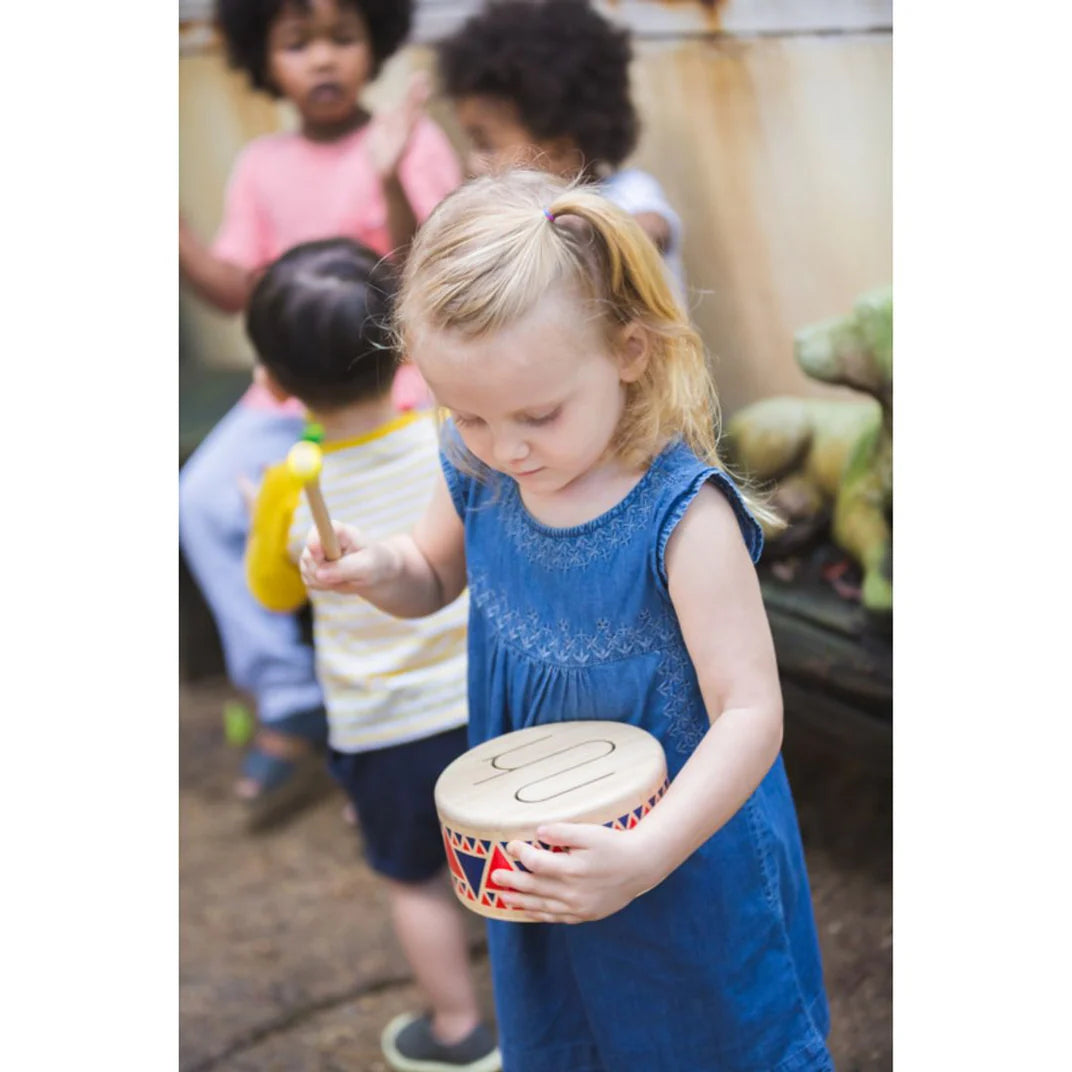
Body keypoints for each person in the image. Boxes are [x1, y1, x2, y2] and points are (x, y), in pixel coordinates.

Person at [299, 171, 833, 1072]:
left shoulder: (681, 517)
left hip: (684, 863)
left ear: (630, 350)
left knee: (705, 1042)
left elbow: (751, 712)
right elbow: (431, 573)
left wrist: (648, 854)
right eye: (465, 413)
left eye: (537, 415)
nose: (504, 446)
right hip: (541, 852)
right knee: (578, 1038)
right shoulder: (481, 469)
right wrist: (373, 568)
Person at [179, 0, 462, 826]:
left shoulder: (416, 143)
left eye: (341, 37)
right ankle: (291, 694)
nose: (324, 59)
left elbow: (431, 271)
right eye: (298, 44)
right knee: (199, 499)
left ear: (373, 41)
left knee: (399, 514)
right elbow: (237, 288)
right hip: (292, 392)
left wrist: (386, 175)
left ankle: (426, 698)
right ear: (263, 58)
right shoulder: (262, 165)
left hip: (394, 384)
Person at [243, 238, 501, 1072]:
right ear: (402, 344)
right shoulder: (452, 440)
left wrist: (265, 518)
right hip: (483, 699)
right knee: (516, 860)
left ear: (275, 383)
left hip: (382, 724)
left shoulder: (291, 484)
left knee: (416, 878)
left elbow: (276, 596)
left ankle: (461, 1031)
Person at [436, 0, 687, 298]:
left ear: (559, 149)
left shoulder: (629, 193)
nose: (475, 162)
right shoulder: (515, 217)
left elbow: (652, 230)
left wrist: (587, 229)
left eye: (486, 144)